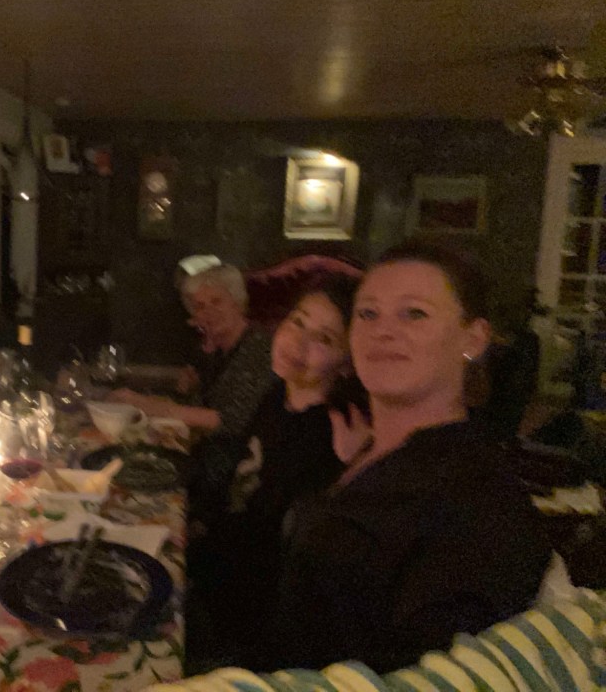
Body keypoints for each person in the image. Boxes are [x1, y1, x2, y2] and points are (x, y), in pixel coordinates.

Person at [268, 240, 552, 673]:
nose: (383, 331)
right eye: (368, 314)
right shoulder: (365, 447)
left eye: (414, 313)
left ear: (473, 338)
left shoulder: (477, 499)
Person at [184, 276, 359, 673]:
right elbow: (235, 483)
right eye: (297, 322)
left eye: (324, 339)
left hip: (242, 628)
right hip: (211, 575)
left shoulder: (328, 437)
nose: (298, 342)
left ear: (347, 363)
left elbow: (270, 553)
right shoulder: (278, 395)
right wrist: (194, 525)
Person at [109, 263, 272, 435]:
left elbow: (230, 420)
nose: (209, 311)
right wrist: (140, 399)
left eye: (216, 301)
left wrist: (149, 406)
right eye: (200, 306)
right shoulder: (217, 352)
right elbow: (195, 403)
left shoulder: (258, 348)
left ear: (237, 302)